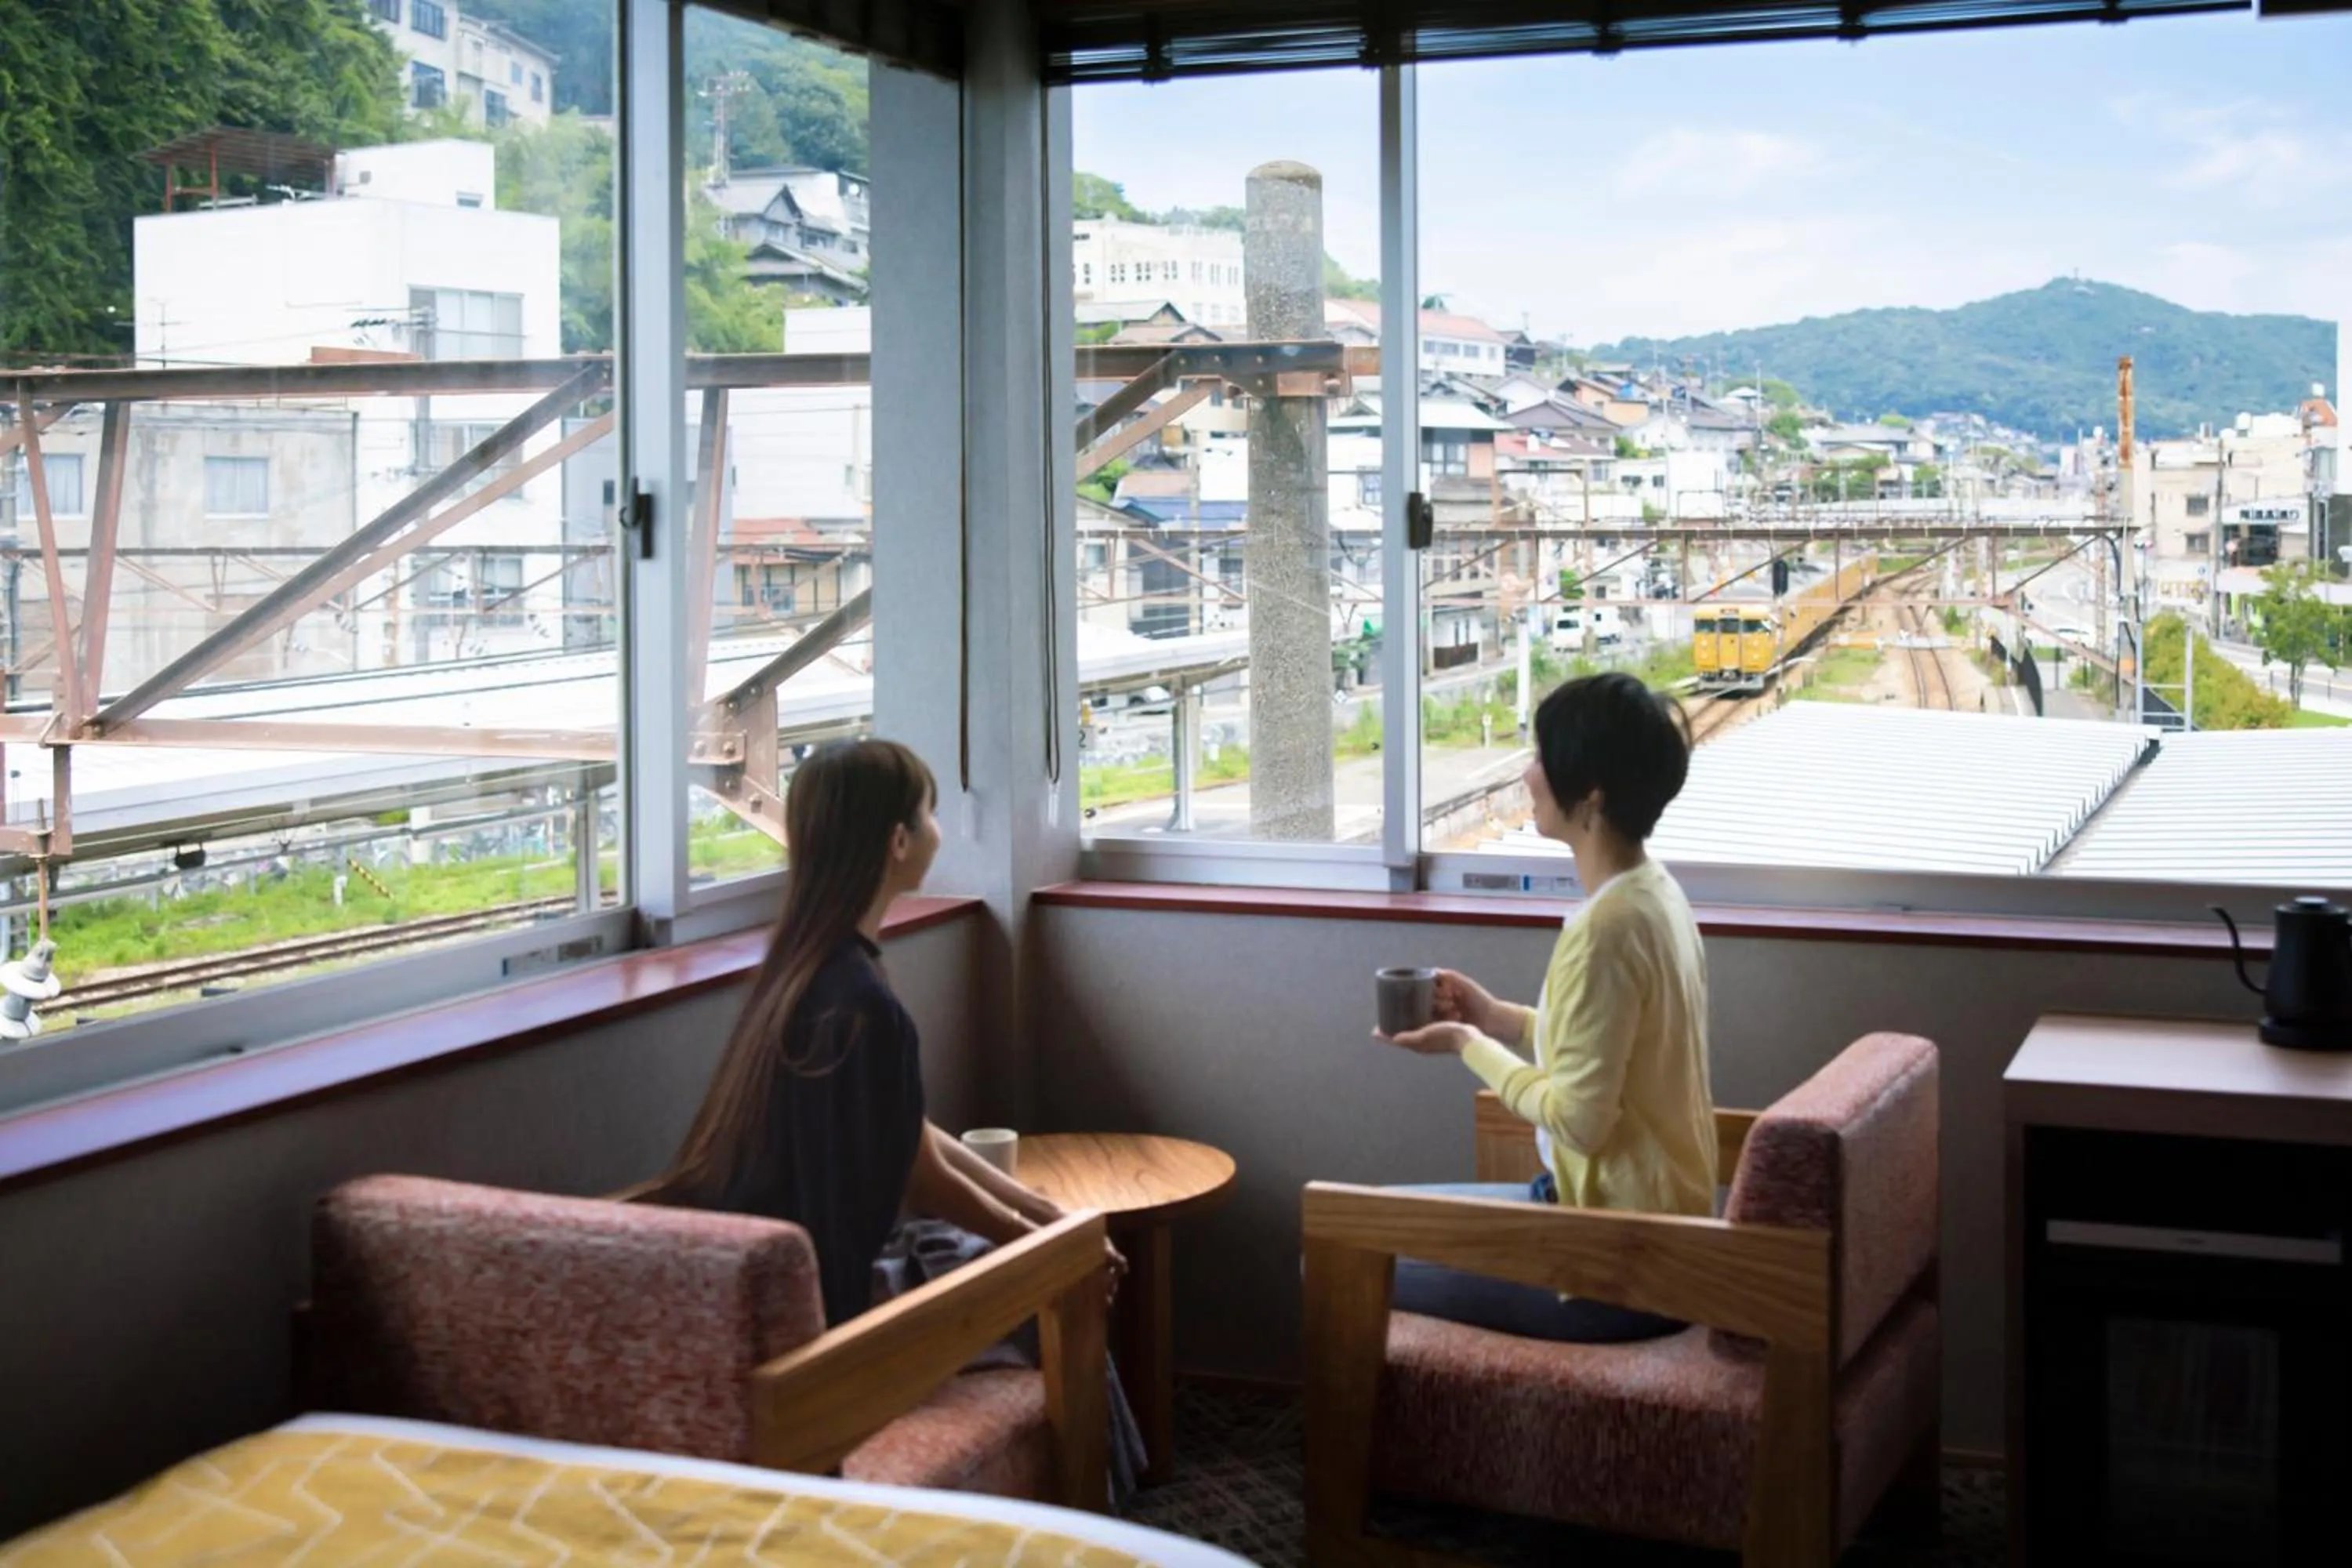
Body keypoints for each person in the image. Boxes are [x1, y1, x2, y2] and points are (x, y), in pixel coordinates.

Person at [649, 738, 1119, 1326]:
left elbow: (910, 1137)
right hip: (831, 1308)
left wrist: (1049, 1218)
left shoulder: (799, 969)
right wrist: (1053, 1252)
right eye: (930, 813)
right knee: (1068, 1311)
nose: (938, 832)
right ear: (899, 842)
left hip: (767, 1284)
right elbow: (925, 1183)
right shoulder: (863, 1005)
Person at [1376, 672, 1714, 1343]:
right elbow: (1605, 1054)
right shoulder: (1654, 895)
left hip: (1615, 1266)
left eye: (1540, 756)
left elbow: (1579, 1121)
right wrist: (1493, 1016)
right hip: (1658, 1235)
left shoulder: (1606, 930)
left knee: (1340, 1254)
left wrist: (1466, 1045)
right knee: (1374, 1223)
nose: (1528, 773)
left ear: (1591, 795)